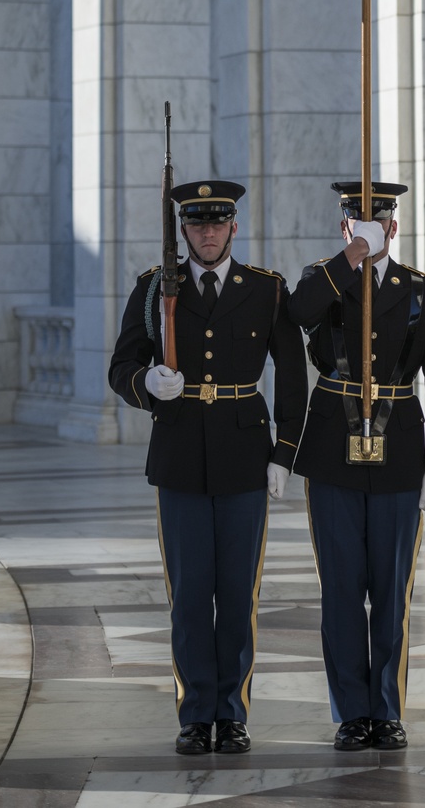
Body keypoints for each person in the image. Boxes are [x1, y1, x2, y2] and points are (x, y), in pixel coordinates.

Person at [108, 179, 308, 757]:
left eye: (218, 223)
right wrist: (146, 383)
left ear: (234, 228)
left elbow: (292, 375)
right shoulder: (155, 289)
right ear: (185, 232)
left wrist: (285, 452)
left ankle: (232, 712)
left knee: (237, 592)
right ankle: (196, 713)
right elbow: (122, 364)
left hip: (246, 456)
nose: (209, 233)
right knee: (191, 595)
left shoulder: (266, 289)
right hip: (179, 458)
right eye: (197, 225)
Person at [288, 181, 425, 752]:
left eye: (378, 225)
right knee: (340, 587)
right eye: (357, 226)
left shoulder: (422, 292)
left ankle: (385, 709)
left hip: (400, 450)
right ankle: (350, 712)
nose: (369, 232)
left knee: (391, 588)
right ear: (344, 229)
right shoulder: (324, 279)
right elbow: (297, 313)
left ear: (394, 228)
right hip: (334, 448)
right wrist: (349, 261)